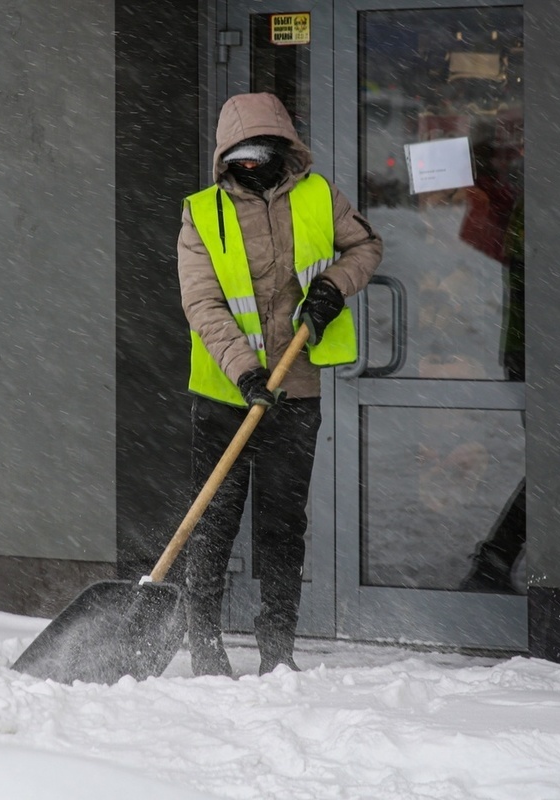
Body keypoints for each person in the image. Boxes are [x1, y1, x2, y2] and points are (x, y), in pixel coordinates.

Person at [176, 93, 382, 676]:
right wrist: (245, 369)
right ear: (224, 160)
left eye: (262, 155)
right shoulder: (203, 213)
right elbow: (203, 302)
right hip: (225, 392)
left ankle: (277, 648)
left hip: (297, 389)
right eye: (239, 158)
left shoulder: (319, 196)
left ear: (283, 152)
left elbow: (365, 246)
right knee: (214, 519)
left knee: (282, 521)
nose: (251, 166)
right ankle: (205, 644)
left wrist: (334, 286)